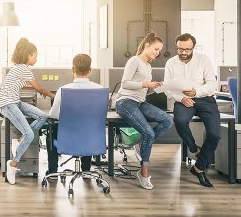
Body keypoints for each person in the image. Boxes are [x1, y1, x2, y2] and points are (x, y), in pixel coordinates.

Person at [115, 32, 173, 190]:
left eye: (159, 50)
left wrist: (156, 87)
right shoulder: (134, 60)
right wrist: (147, 84)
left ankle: (141, 144)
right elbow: (125, 83)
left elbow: (144, 91)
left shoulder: (148, 66)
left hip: (140, 101)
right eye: (155, 49)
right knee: (149, 133)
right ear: (147, 45)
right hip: (126, 101)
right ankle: (144, 172)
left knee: (168, 120)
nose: (157, 52)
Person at [164, 33, 219, 187]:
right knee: (180, 120)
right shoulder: (171, 63)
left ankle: (199, 167)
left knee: (214, 135)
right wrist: (181, 98)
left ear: (193, 47)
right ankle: (194, 150)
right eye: (180, 49)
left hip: (205, 99)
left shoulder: (204, 60)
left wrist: (196, 92)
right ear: (177, 47)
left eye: (187, 49)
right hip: (182, 99)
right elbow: (168, 88)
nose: (183, 53)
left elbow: (212, 84)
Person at [0, 38, 55, 185]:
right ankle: (13, 164)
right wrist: (55, 96)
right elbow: (40, 88)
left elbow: (31, 86)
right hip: (8, 104)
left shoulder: (18, 67)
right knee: (29, 134)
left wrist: (40, 90)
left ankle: (20, 141)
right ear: (29, 55)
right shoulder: (23, 68)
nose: (36, 58)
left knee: (43, 116)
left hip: (15, 101)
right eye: (35, 55)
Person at [47, 54, 102, 178]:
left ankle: (52, 172)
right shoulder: (99, 89)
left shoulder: (63, 90)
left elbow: (53, 115)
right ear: (90, 70)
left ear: (73, 70)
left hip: (67, 141)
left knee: (51, 129)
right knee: (87, 128)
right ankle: (86, 170)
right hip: (91, 140)